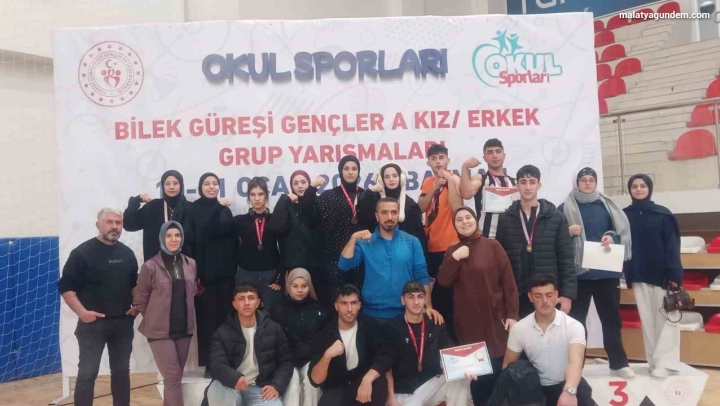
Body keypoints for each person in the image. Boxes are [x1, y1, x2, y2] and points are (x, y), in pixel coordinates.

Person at [57, 209, 139, 406]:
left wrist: (137, 306)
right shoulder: (81, 253)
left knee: (121, 372)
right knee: (87, 374)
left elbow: (134, 285)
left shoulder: (127, 254)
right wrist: (82, 313)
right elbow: (66, 287)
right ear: (98, 225)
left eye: (118, 222)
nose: (114, 226)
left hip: (122, 323)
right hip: (92, 325)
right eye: (109, 222)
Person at [437, 207, 519, 405]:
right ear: (455, 225)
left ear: (476, 220)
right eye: (459, 220)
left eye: (468, 217)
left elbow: (508, 282)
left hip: (495, 319)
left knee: (499, 373)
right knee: (478, 379)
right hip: (468, 324)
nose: (464, 222)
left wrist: (512, 314)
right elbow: (443, 281)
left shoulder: (493, 246)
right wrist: (455, 258)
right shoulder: (452, 251)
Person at [559, 167, 634, 379]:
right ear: (577, 183)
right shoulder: (564, 207)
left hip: (606, 273)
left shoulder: (606, 205)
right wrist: (567, 231)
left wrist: (612, 237)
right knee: (576, 324)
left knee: (611, 320)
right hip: (578, 275)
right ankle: (576, 366)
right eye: (583, 180)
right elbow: (553, 235)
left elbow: (619, 232)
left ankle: (618, 363)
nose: (588, 183)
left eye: (591, 179)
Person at [339, 197, 441, 323]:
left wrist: (428, 306)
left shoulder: (412, 241)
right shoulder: (366, 242)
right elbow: (344, 265)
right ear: (377, 216)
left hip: (406, 314)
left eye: (394, 212)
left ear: (399, 215)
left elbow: (422, 275)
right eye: (384, 212)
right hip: (372, 315)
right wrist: (353, 238)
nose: (389, 217)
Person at [495, 165, 576, 318]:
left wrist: (567, 294)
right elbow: (500, 262)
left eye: (532, 182)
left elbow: (566, 259)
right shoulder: (505, 219)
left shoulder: (556, 218)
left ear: (539, 185)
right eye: (523, 182)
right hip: (517, 293)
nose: (527, 187)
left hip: (546, 293)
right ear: (516, 185)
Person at [623, 174, 683, 379]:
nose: (639, 189)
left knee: (667, 319)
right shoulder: (625, 215)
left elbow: (672, 246)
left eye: (643, 186)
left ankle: (667, 363)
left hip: (663, 275)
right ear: (630, 190)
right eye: (634, 186)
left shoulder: (663, 214)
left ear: (649, 188)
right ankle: (654, 362)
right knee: (648, 321)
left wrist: (674, 274)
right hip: (638, 273)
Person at [503, 275, 594, 406]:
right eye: (538, 296)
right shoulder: (519, 328)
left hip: (567, 384)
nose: (545, 301)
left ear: (556, 295)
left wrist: (569, 392)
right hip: (534, 388)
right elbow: (508, 365)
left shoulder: (574, 326)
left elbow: (575, 362)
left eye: (549, 295)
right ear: (530, 297)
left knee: (580, 393)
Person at [133, 221, 197, 406]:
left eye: (177, 235)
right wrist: (154, 319)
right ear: (162, 238)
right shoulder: (150, 266)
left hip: (184, 329)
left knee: (174, 379)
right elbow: (140, 300)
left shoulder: (191, 263)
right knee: (173, 377)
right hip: (160, 332)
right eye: (168, 236)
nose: (173, 239)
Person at [205, 283, 294, 406]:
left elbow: (286, 361)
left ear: (258, 302)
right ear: (234, 304)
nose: (247, 303)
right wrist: (234, 378)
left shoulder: (273, 329)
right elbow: (216, 364)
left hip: (259, 388)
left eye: (251, 298)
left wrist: (276, 386)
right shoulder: (222, 333)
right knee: (216, 389)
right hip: (229, 385)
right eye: (241, 299)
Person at [385, 281, 471, 406]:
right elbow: (386, 367)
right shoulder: (392, 327)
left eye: (420, 297)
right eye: (411, 297)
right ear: (403, 300)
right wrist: (391, 398)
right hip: (404, 391)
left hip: (430, 385)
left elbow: (450, 353)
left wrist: (466, 368)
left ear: (425, 300)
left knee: (460, 378)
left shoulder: (436, 323)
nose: (416, 302)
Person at [309, 284, 393, 406]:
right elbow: (315, 380)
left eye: (353, 303)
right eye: (344, 303)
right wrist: (327, 356)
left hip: (365, 384)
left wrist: (367, 379)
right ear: (336, 306)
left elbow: (386, 356)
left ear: (359, 305)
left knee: (378, 384)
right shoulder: (324, 333)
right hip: (338, 387)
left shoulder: (370, 326)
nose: (349, 309)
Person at [189, 172, 239, 371]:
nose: (211, 187)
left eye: (215, 183)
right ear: (200, 187)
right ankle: (211, 365)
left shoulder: (225, 210)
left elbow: (231, 240)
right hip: (205, 276)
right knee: (207, 321)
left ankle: (228, 363)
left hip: (226, 275)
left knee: (227, 320)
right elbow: (203, 234)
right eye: (207, 184)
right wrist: (195, 274)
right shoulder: (193, 209)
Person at [215, 177, 284, 312]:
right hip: (246, 274)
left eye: (260, 194)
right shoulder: (239, 221)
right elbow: (216, 231)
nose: (257, 198)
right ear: (248, 197)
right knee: (246, 313)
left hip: (271, 274)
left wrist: (279, 276)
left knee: (272, 314)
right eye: (253, 194)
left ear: (266, 195)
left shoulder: (275, 219)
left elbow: (284, 248)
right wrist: (219, 207)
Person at [418, 144, 462, 333]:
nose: (438, 162)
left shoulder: (456, 179)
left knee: (453, 297)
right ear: (428, 162)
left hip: (451, 246)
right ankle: (438, 335)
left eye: (441, 157)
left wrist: (449, 182)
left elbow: (457, 207)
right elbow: (420, 207)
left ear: (448, 160)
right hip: (431, 247)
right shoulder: (428, 182)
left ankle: (455, 336)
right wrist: (435, 186)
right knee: (435, 297)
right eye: (434, 158)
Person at [271, 268, 327, 406]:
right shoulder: (278, 310)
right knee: (292, 385)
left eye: (304, 286)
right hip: (288, 361)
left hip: (311, 359)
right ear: (288, 286)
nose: (300, 290)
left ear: (309, 286)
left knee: (312, 385)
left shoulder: (318, 309)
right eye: (295, 286)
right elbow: (276, 342)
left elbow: (323, 339)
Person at [270, 170, 326, 302]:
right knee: (292, 305)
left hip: (315, 266)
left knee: (318, 303)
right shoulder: (286, 204)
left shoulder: (318, 203)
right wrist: (284, 199)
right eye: (295, 183)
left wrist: (311, 189)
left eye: (303, 182)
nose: (300, 186)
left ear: (309, 183)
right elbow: (276, 227)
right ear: (291, 186)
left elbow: (309, 214)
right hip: (292, 266)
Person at [317, 156, 366, 305]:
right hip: (334, 259)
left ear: (358, 172)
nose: (350, 172)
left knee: (357, 301)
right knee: (336, 301)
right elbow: (314, 222)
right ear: (340, 171)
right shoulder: (328, 196)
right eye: (346, 169)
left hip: (359, 259)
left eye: (354, 169)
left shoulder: (365, 195)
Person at [358, 162, 428, 254]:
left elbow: (418, 235)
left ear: (401, 178)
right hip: (379, 251)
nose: (391, 179)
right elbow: (363, 218)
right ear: (381, 180)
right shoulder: (373, 200)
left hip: (404, 253)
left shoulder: (410, 205)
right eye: (387, 177)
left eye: (395, 176)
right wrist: (369, 192)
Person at [123, 170, 193, 261]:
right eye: (167, 184)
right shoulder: (153, 207)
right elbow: (128, 224)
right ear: (162, 186)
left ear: (181, 185)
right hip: (156, 265)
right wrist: (136, 200)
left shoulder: (191, 209)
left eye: (175, 183)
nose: (171, 187)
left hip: (184, 265)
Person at [458, 139, 517, 239]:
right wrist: (464, 168)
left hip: (511, 238)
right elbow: (466, 194)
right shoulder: (481, 178)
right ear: (484, 158)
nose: (495, 156)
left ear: (504, 155)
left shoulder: (515, 182)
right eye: (490, 152)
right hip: (487, 238)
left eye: (498, 151)